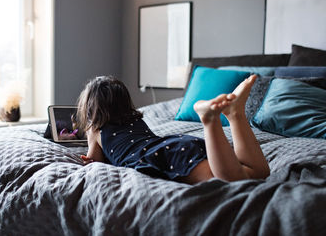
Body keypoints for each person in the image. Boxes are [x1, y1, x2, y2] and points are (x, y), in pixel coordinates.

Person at [76, 75, 270, 184]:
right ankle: (236, 115)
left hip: (165, 156)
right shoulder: (135, 120)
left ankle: (209, 120)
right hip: (176, 144)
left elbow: (94, 160)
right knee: (257, 173)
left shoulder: (95, 129)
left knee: (233, 182)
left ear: (90, 109)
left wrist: (88, 159)